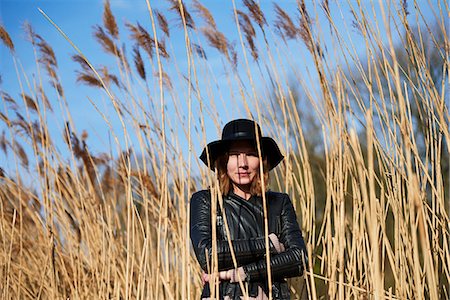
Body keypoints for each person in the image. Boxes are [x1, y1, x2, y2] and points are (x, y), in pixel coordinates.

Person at [190, 119, 307, 299]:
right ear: (223, 160)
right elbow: (208, 255)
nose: (242, 163)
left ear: (262, 160)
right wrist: (270, 245)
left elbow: (299, 259)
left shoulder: (279, 203)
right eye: (235, 155)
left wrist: (238, 273)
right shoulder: (207, 201)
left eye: (251, 154)